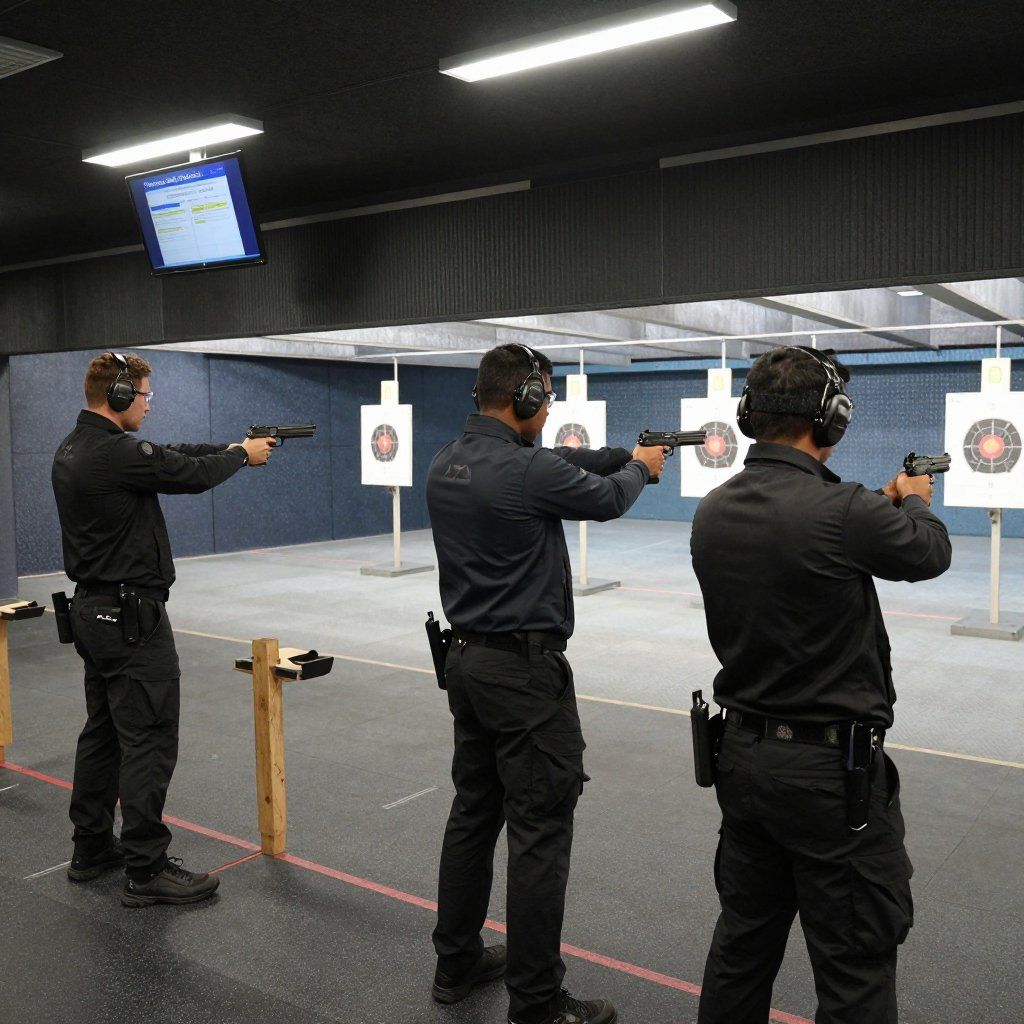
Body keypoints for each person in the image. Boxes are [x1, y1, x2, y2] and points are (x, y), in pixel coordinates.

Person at [690, 346, 952, 1024]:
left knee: (743, 944)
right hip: (831, 777)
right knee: (854, 963)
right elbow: (928, 553)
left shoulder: (713, 509)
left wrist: (876, 500)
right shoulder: (848, 514)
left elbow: (815, 523)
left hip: (742, 761)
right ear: (832, 417)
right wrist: (916, 502)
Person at [426, 344, 666, 1024]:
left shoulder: (449, 459)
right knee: (539, 831)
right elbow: (606, 499)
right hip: (524, 677)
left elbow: (563, 464)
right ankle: (536, 1001)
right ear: (526, 398)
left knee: (475, 811)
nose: (551, 405)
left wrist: (622, 449)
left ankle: (457, 960)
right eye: (547, 395)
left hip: (467, 664)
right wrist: (641, 470)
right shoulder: (528, 471)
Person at [51, 352, 275, 907]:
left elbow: (173, 455)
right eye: (145, 396)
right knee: (148, 737)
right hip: (131, 620)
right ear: (120, 396)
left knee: (103, 734)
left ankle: (92, 847)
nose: (150, 406)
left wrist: (232, 446)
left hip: (94, 613)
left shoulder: (78, 446)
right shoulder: (115, 453)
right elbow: (190, 475)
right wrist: (241, 460)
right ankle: (146, 868)